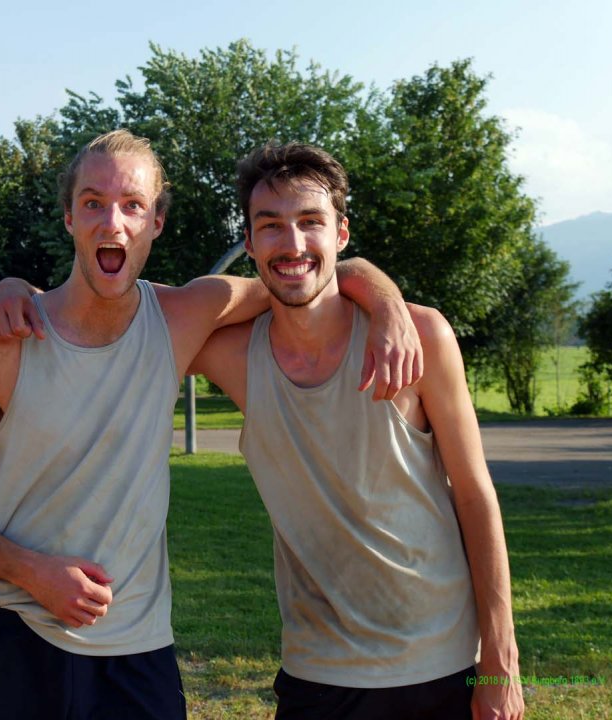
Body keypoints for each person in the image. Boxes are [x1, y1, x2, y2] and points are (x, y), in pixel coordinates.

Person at [0, 129, 420, 719]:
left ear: (157, 222)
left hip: (137, 656)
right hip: (9, 639)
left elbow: (303, 272)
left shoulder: (182, 316)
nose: (112, 222)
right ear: (68, 216)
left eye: (132, 205)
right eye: (93, 203)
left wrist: (386, 302)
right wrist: (32, 572)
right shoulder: (0, 344)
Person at [184, 142, 524, 719]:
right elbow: (118, 320)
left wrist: (500, 661)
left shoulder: (422, 335)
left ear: (341, 235)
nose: (291, 244)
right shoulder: (233, 356)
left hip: (443, 665)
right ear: (248, 243)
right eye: (270, 227)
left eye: (310, 223)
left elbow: (474, 494)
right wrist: (16, 294)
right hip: (318, 675)